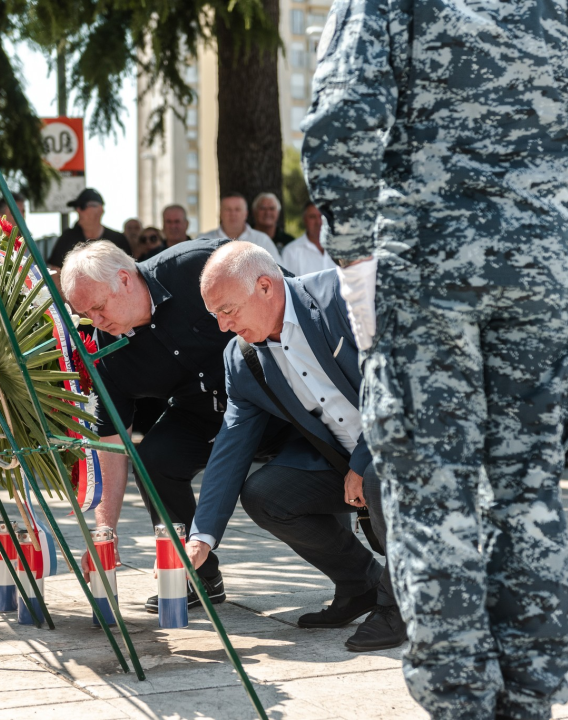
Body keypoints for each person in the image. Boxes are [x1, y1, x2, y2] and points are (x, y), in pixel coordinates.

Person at [301, 2, 568, 717]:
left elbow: (342, 120)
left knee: (431, 501)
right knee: (527, 497)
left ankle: (461, 703)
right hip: (537, 278)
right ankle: (528, 701)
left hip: (423, 278)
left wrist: (355, 265)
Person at [190, 243, 405, 651]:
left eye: (228, 310)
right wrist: (202, 536)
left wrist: (362, 461)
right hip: (339, 464)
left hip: (406, 445)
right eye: (215, 314)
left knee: (379, 476)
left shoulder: (341, 295)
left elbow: (395, 382)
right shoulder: (241, 358)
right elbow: (231, 444)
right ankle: (359, 582)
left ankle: (400, 604)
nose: (222, 326)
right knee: (265, 496)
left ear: (265, 287)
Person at [61, 239, 289, 611]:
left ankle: (354, 574)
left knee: (316, 474)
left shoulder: (196, 266)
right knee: (154, 459)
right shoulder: (107, 350)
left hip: (272, 397)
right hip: (199, 412)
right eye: (86, 315)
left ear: (124, 280)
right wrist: (105, 532)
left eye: (99, 308)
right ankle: (199, 577)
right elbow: (112, 443)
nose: (96, 322)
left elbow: (285, 295)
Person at [47, 188, 130, 270]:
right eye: (76, 208)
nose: (78, 211)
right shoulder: (68, 237)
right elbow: (55, 270)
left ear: (100, 209)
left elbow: (130, 271)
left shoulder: (118, 240)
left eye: (82, 206)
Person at [203, 193, 283, 263]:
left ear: (246, 214)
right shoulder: (205, 241)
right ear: (220, 213)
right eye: (228, 209)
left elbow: (278, 271)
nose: (233, 214)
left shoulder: (262, 241)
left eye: (237, 209)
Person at [281, 202, 335, 276]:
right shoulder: (291, 251)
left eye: (322, 216)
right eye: (312, 217)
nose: (318, 222)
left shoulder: (341, 247)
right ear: (304, 220)